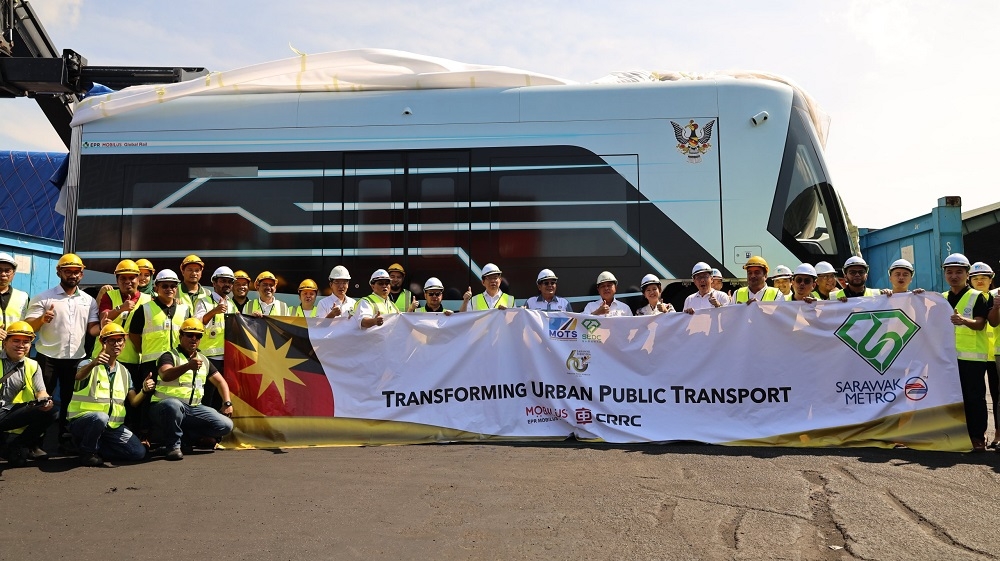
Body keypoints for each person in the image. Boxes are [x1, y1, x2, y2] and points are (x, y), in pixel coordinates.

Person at [24, 253, 100, 440]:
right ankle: (36, 440)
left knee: (71, 401)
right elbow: (28, 327)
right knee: (43, 399)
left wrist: (105, 324)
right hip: (47, 356)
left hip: (76, 358)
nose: (72, 275)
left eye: (76, 272)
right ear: (59, 272)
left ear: (82, 274)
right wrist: (41, 320)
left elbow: (92, 330)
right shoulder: (43, 297)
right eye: (68, 271)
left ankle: (65, 437)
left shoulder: (88, 301)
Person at [67, 323, 155, 466]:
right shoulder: (87, 364)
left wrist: (144, 390)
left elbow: (133, 401)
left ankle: (98, 447)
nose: (116, 344)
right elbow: (78, 377)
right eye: (111, 340)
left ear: (124, 343)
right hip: (84, 422)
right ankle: (87, 453)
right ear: (103, 342)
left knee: (138, 453)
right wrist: (94, 363)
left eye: (120, 340)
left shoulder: (124, 372)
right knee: (100, 417)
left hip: (112, 427)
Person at [149, 318, 233, 461]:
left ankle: (188, 438)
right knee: (173, 405)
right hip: (164, 408)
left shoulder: (204, 359)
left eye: (198, 336)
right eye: (189, 335)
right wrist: (187, 366)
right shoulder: (169, 356)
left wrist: (227, 403)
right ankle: (173, 446)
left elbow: (221, 382)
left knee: (225, 425)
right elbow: (165, 374)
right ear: (180, 336)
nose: (194, 339)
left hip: (193, 408)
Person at [942, 253, 992, 451]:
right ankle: (955, 434)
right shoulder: (942, 298)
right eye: (950, 272)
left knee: (974, 398)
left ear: (967, 274)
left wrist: (964, 321)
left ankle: (977, 437)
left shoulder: (977, 296)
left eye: (959, 272)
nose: (954, 276)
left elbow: (981, 323)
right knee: (952, 398)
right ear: (945, 274)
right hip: (947, 358)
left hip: (972, 359)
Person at [0, 322, 56, 467]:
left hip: (12, 413)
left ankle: (17, 445)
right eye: (16, 341)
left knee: (51, 412)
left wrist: (45, 401)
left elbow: (41, 391)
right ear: (5, 343)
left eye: (26, 342)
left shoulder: (32, 365)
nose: (21, 345)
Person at [128, 269, 191, 392]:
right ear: (156, 288)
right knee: (148, 399)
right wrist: (144, 349)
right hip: (151, 364)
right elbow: (134, 335)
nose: (169, 289)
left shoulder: (185, 310)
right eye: (165, 286)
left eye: (173, 286)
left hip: (177, 362)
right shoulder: (144, 309)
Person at [968, 262, 1000, 448]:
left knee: (996, 397)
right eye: (976, 278)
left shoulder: (997, 295)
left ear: (991, 279)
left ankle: (997, 434)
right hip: (975, 354)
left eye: (984, 278)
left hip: (994, 353)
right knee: (977, 396)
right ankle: (976, 434)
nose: (980, 281)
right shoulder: (969, 298)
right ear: (970, 279)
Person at [195, 266, 237, 410]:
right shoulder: (203, 301)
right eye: (223, 281)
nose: (227, 284)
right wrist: (214, 311)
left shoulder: (231, 304)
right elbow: (196, 325)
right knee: (206, 396)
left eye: (230, 282)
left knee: (221, 397)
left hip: (227, 359)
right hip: (207, 358)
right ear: (214, 283)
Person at [0, 252, 30, 339]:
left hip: (13, 350)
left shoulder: (23, 297)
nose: (3, 274)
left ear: (13, 273)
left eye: (7, 271)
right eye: (0, 270)